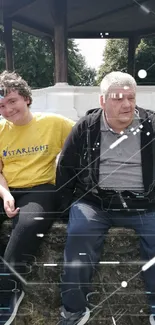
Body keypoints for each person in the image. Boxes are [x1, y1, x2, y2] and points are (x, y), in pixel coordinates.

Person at [56, 71, 155, 325]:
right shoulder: (86, 127)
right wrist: (65, 209)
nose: (126, 104)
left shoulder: (151, 125)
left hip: (145, 204)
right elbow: (65, 168)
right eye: (118, 98)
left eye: (131, 98)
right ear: (102, 101)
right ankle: (74, 311)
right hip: (96, 203)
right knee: (78, 236)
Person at [0, 70, 74, 325]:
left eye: (12, 101)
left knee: (28, 225)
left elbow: (83, 143)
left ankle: (8, 290)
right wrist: (5, 193)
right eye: (1, 105)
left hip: (41, 188)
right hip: (8, 188)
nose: (8, 109)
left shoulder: (55, 123)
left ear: (26, 98)